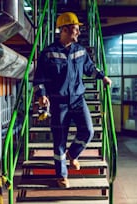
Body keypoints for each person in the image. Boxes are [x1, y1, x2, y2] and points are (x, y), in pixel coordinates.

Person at [33, 12, 112, 188]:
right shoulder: (49, 53)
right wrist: (42, 95)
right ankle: (61, 175)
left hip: (77, 99)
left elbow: (90, 68)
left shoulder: (81, 51)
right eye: (76, 29)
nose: (78, 33)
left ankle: (73, 154)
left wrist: (102, 77)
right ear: (65, 30)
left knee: (88, 131)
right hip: (58, 102)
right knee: (59, 140)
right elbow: (39, 78)